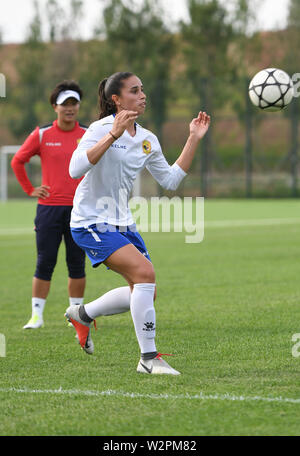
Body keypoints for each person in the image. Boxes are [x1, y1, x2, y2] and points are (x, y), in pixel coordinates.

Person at [65, 71, 210, 375]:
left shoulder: (147, 139)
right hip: (90, 220)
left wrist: (192, 139)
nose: (142, 95)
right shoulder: (99, 128)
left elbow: (170, 180)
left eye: (142, 89)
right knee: (145, 273)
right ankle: (148, 359)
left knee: (146, 289)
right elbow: (75, 169)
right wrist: (113, 135)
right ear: (115, 99)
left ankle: (83, 314)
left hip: (123, 223)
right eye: (134, 90)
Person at [11, 80, 87, 332]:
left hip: (80, 209)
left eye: (74, 103)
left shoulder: (88, 134)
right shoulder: (42, 134)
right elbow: (18, 161)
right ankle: (36, 316)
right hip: (49, 209)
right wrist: (30, 189)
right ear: (55, 106)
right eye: (65, 103)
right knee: (45, 261)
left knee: (76, 262)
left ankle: (76, 314)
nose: (70, 108)